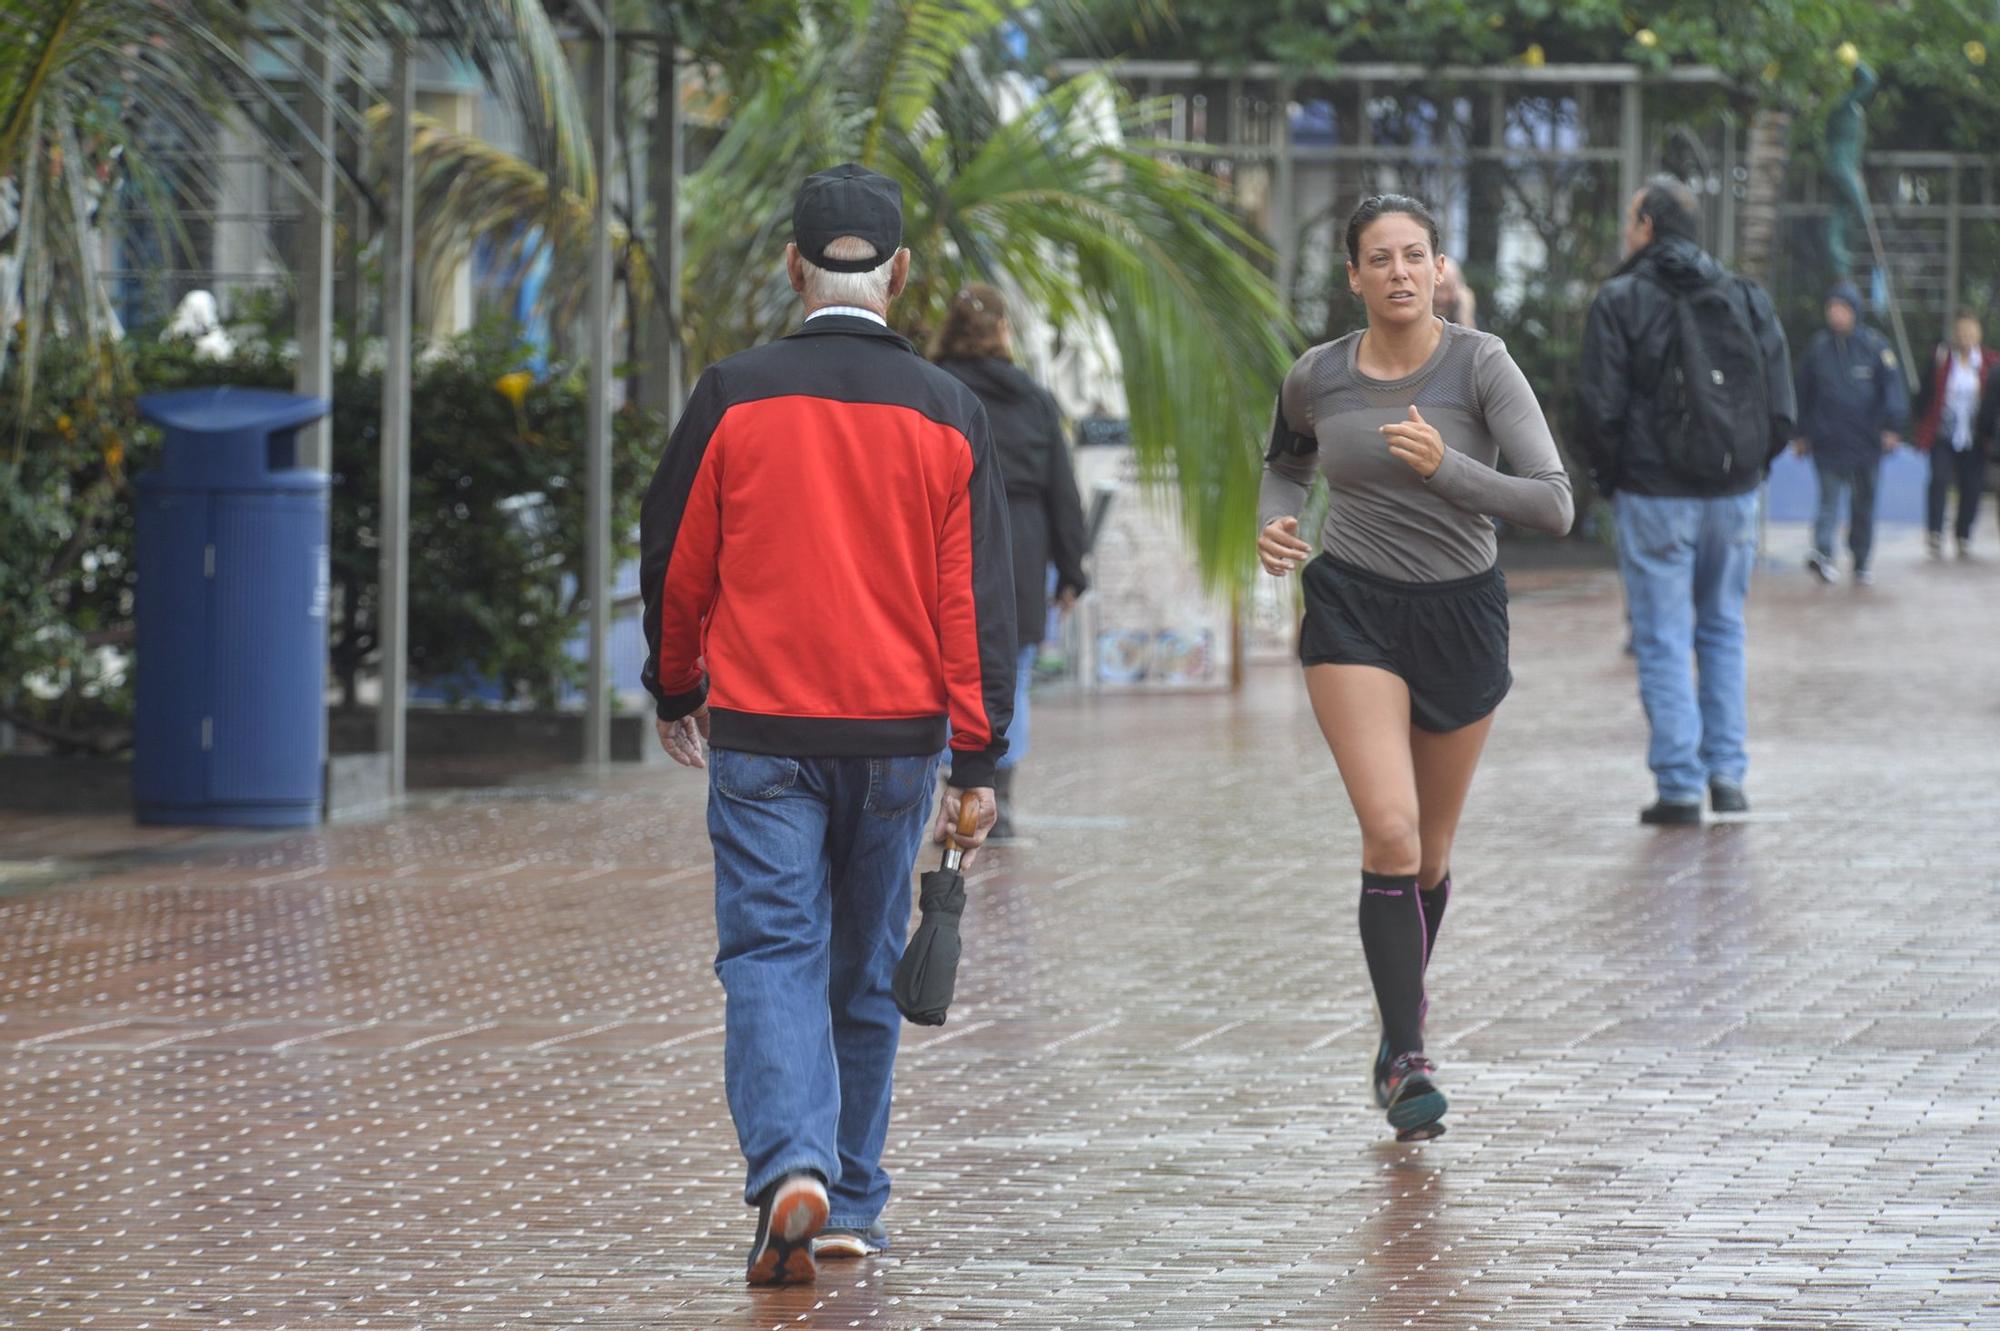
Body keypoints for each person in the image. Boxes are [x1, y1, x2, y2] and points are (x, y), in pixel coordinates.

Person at [638, 163, 1017, 1286]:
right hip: (899, 738)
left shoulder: (731, 393)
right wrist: (978, 756)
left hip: (761, 728)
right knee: (860, 965)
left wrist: (673, 685)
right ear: (898, 272)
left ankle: (787, 1167)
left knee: (769, 950)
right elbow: (973, 601)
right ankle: (848, 1195)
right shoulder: (951, 411)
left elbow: (677, 558)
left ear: (793, 265)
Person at [1258, 194, 1573, 1143]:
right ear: (1352, 276)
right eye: (1380, 258)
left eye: (1416, 256)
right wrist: (1275, 525)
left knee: (1430, 857)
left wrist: (1448, 469)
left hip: (1461, 617)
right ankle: (1405, 1056)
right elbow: (1287, 463)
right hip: (1352, 607)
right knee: (1390, 834)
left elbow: (1554, 505)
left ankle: (1403, 1023)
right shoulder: (1317, 375)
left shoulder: (1482, 365)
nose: (1400, 272)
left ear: (1439, 269)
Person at [1576, 177, 1796, 825]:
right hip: (1733, 495)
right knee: (1723, 626)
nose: (1625, 231)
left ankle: (1678, 785)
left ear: (1646, 225)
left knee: (1663, 636)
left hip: (1652, 493)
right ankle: (1727, 775)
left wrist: (1612, 478)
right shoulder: (1745, 296)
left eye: (1629, 219)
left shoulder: (1620, 299)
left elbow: (1599, 407)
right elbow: (1780, 407)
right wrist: (1750, 470)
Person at [933, 283, 1090, 840]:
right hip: (1021, 542)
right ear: (1003, 332)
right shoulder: (1033, 398)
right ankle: (998, 796)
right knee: (1012, 672)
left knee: (937, 667)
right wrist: (1072, 571)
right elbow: (1061, 491)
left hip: (944, 535)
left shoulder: (934, 390)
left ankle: (944, 783)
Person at [1793, 281, 1908, 585]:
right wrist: (1801, 434)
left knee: (1863, 506)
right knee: (1827, 503)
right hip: (1827, 442)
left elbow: (1893, 389)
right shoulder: (1817, 349)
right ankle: (1823, 555)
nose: (1836, 314)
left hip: (1866, 444)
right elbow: (1802, 393)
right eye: (1831, 308)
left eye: (1842, 308)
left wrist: (1893, 427)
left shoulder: (1875, 346)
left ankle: (1861, 560)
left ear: (1855, 311)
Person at [1914, 310, 1998, 558]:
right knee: (1939, 480)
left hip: (1976, 435)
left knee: (1972, 487)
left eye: (1970, 332)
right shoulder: (1940, 358)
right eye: (1961, 332)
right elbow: (1923, 394)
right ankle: (1935, 533)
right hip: (1943, 433)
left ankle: (1963, 534)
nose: (1965, 337)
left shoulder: (1990, 362)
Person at [1433, 255, 1479, 328]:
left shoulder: (1461, 311)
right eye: (1438, 289)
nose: (1442, 298)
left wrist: (1465, 316)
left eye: (1449, 289)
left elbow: (1470, 337)